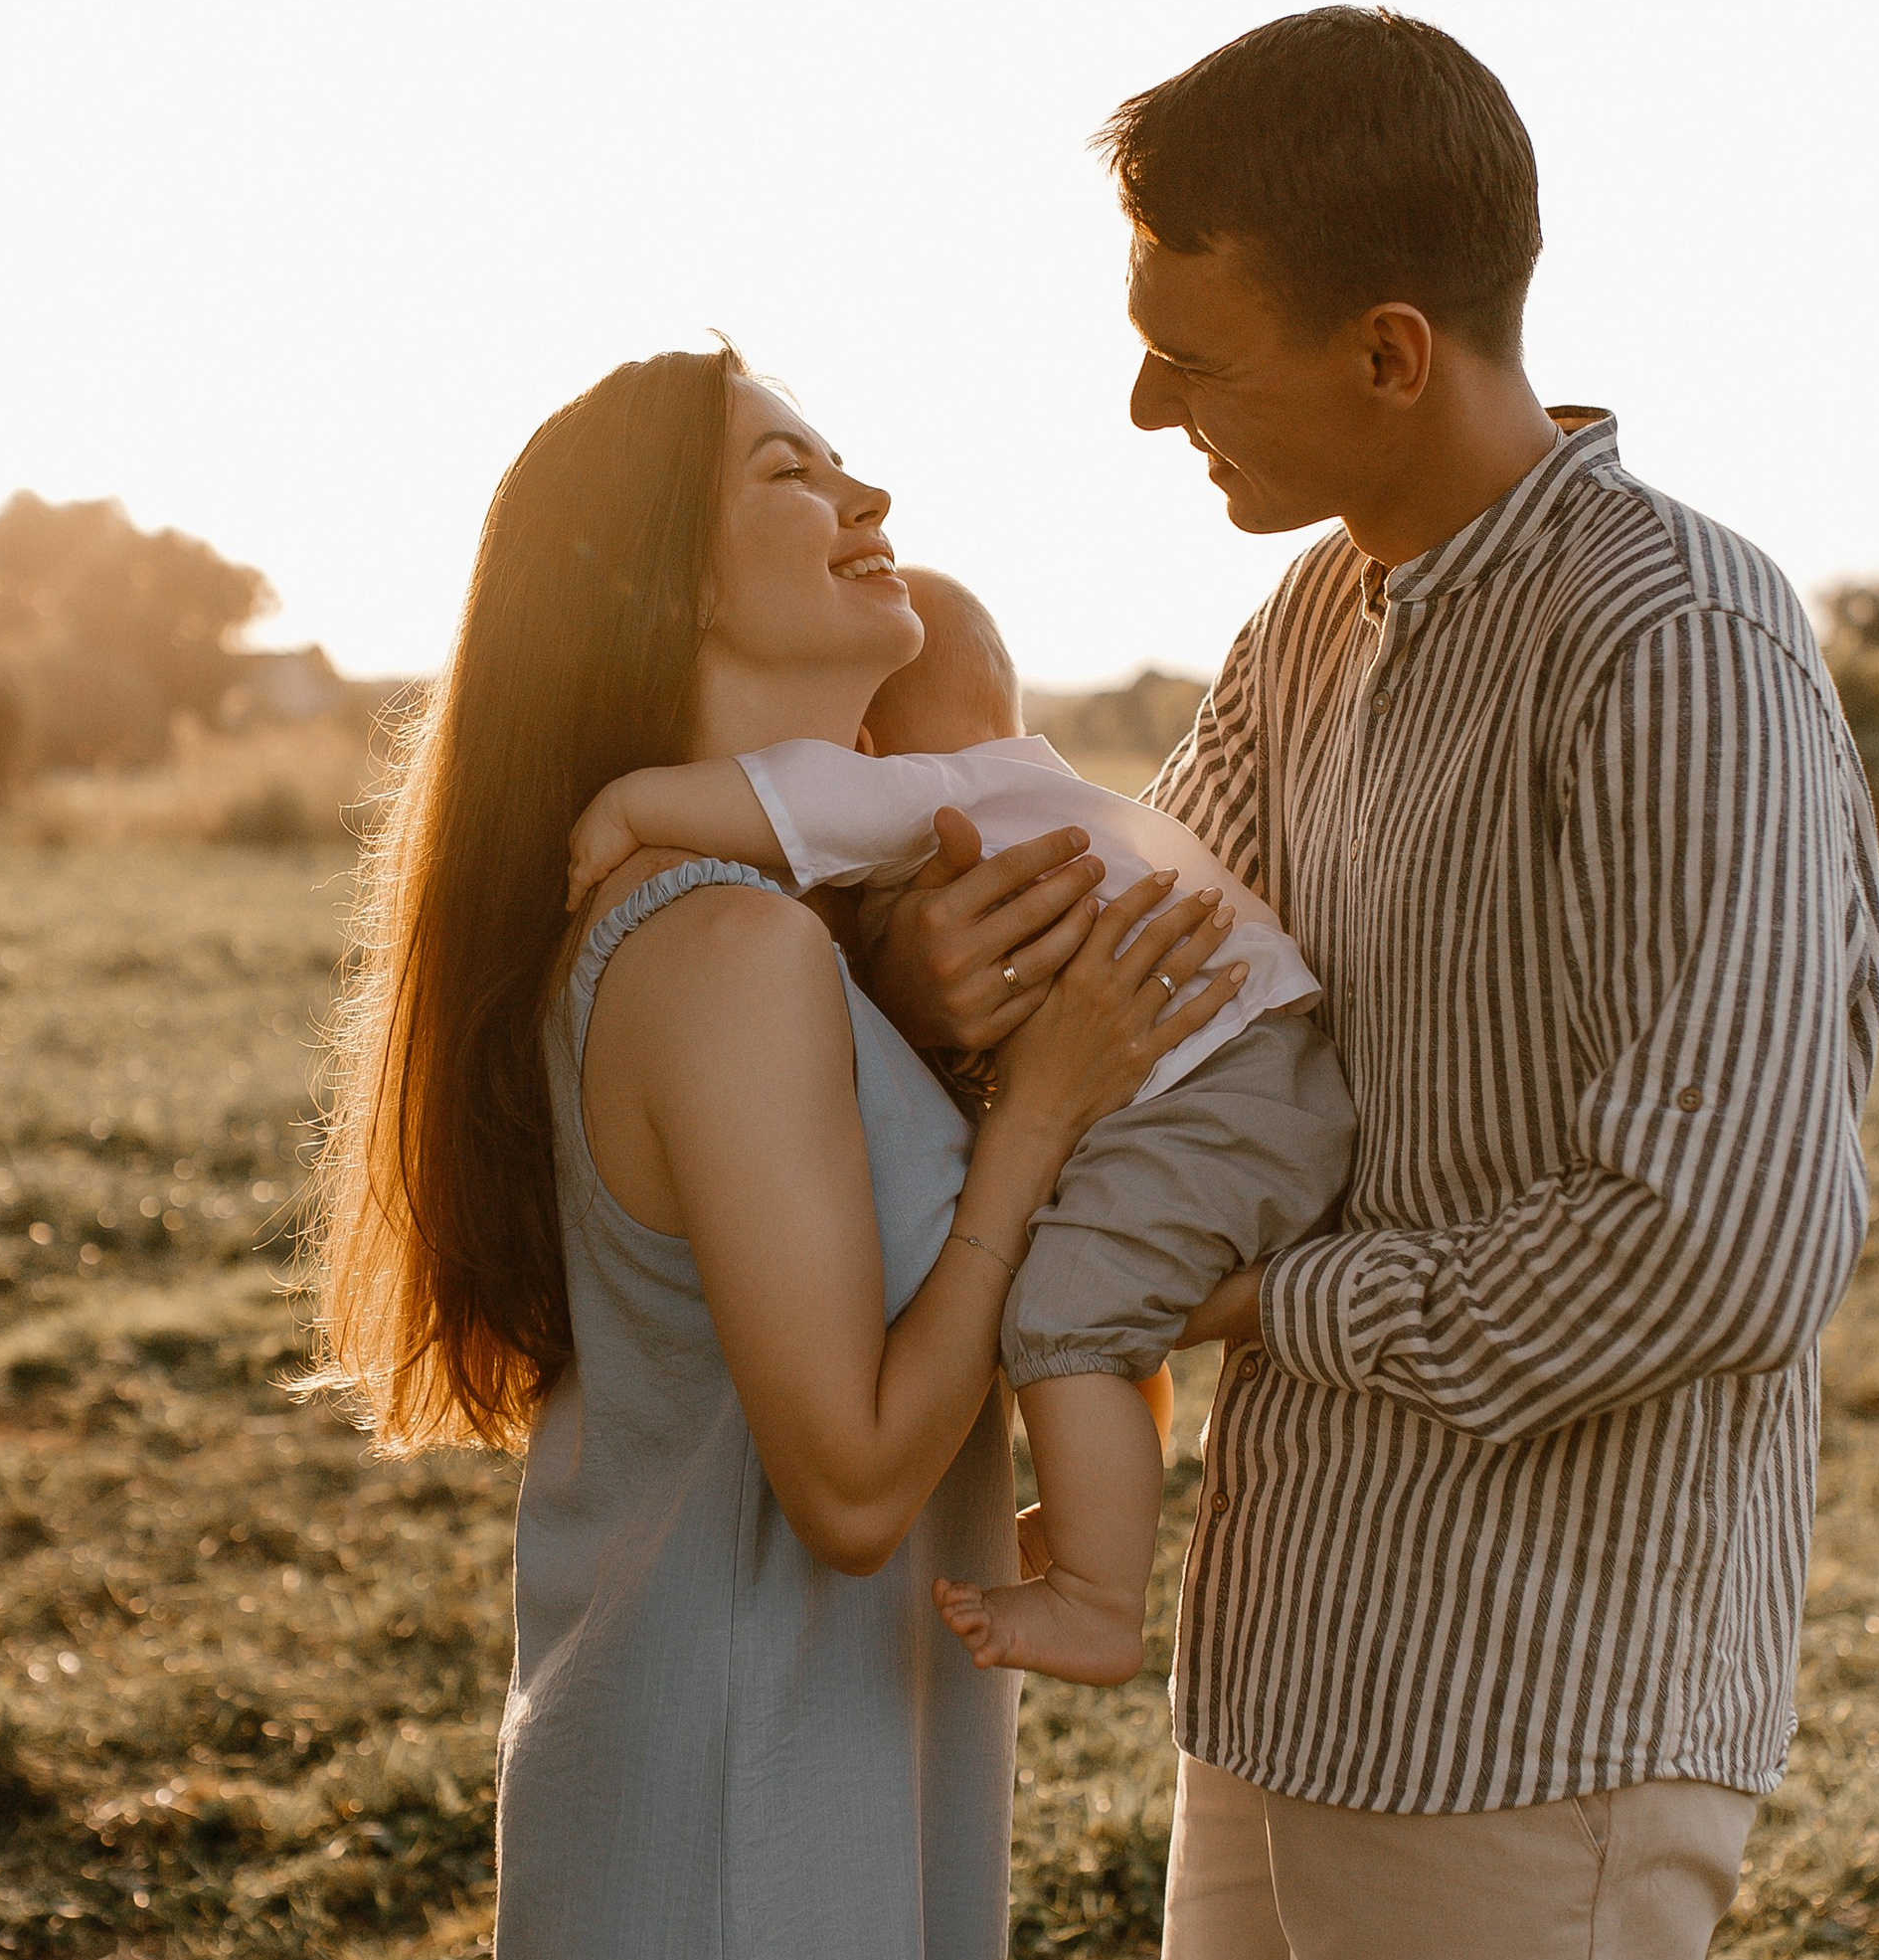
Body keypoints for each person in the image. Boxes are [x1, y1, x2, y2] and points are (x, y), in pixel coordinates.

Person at [862, 9, 1879, 1960]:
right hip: (1296, 1659)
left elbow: (1717, 1237)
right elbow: (1152, 972)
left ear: (1399, 342)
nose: (1147, 396)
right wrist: (965, 971)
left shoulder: (1678, 635)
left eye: (1192, 338)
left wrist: (1280, 1314)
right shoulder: (1308, 622)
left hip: (1539, 1706)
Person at [307, 347, 1241, 1960]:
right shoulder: (712, 946)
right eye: (786, 469)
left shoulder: (757, 926)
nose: (863, 495)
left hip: (788, 1743)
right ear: (648, 580)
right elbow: (845, 1468)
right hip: (747, 1757)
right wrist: (1042, 1109)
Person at [563, 563, 1355, 1682]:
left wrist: (631, 804)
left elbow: (783, 800)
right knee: (1087, 1284)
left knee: (1079, 1306)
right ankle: (1093, 1501)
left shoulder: (938, 795)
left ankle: (1095, 1591)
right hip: (1260, 1076)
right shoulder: (1045, 787)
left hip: (1213, 1088)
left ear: (869, 752)